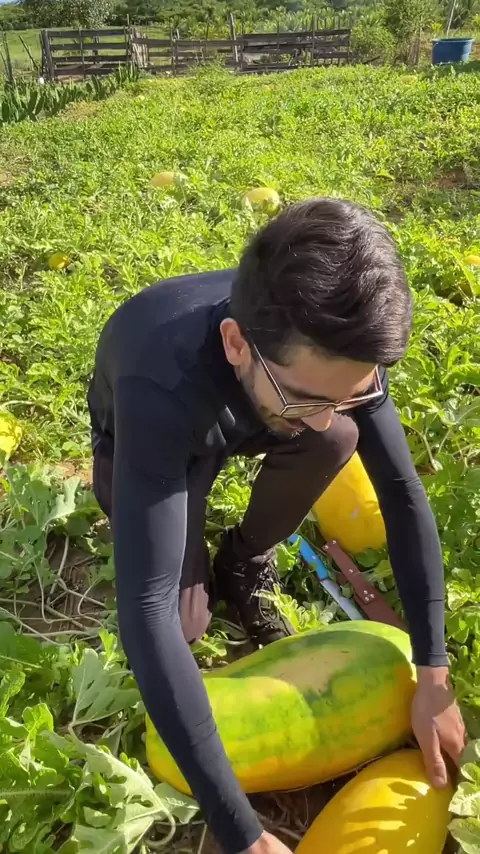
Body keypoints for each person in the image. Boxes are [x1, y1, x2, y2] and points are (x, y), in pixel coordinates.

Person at [87, 198, 465, 854]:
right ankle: (199, 551)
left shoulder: (334, 357)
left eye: (351, 391)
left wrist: (434, 671)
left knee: (336, 438)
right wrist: (242, 833)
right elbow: (142, 610)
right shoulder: (160, 381)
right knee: (180, 612)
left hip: (253, 403)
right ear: (237, 343)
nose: (324, 412)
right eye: (309, 397)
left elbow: (403, 495)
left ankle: (243, 557)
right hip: (157, 441)